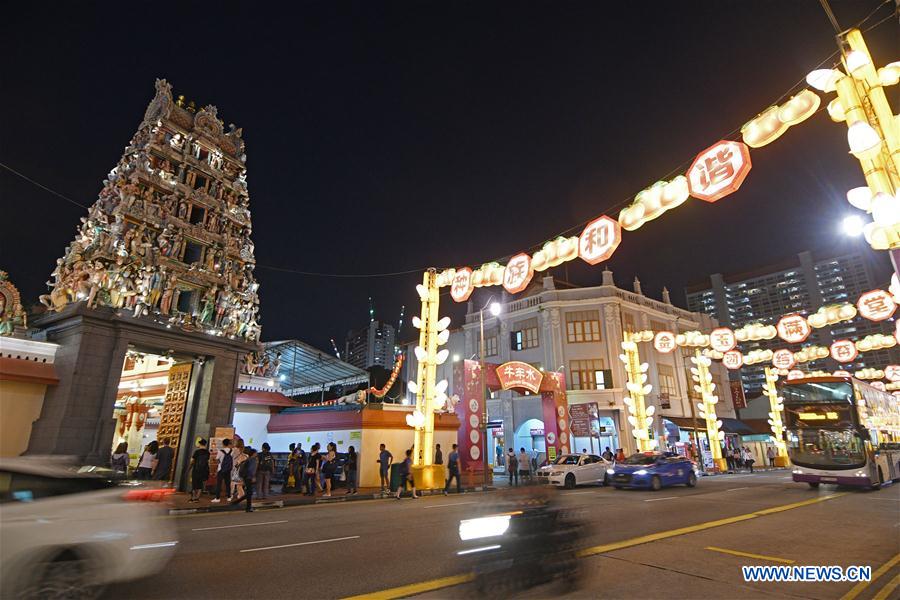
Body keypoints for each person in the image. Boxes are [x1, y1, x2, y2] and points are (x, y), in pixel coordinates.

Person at [211, 438, 233, 503]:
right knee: (227, 483)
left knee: (219, 484)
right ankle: (229, 497)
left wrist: (215, 460)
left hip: (221, 469)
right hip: (228, 469)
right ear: (229, 444)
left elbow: (217, 460)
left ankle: (217, 498)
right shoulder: (232, 451)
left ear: (223, 444)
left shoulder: (221, 451)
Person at [188, 438, 210, 502]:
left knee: (194, 484)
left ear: (200, 444)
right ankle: (197, 498)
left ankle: (193, 498)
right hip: (203, 470)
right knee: (200, 484)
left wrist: (189, 467)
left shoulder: (197, 452)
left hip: (196, 469)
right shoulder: (207, 452)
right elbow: (208, 461)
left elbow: (192, 461)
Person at [239, 447, 258, 512]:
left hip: (245, 477)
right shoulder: (253, 460)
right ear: (253, 454)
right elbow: (251, 469)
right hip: (249, 477)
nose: (256, 454)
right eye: (256, 453)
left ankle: (247, 506)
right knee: (249, 493)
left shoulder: (248, 459)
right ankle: (248, 507)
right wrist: (253, 476)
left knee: (249, 492)